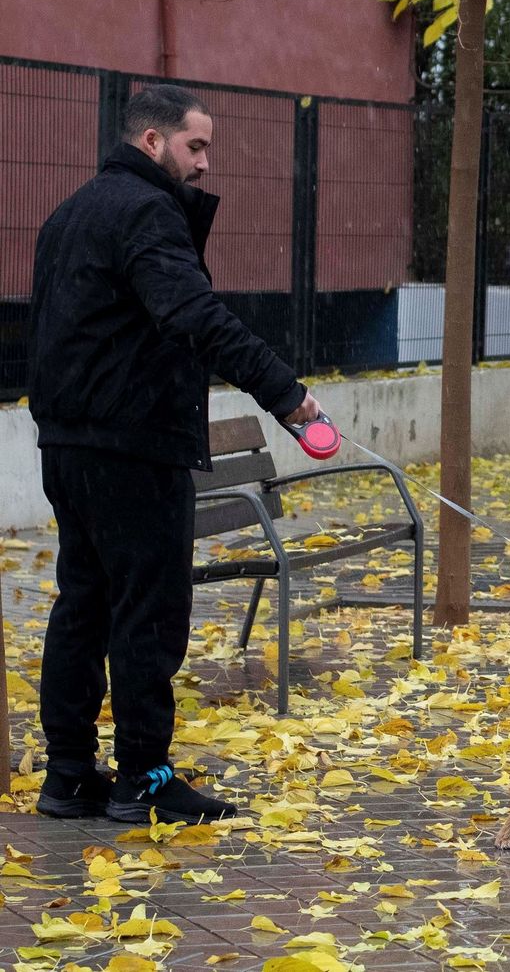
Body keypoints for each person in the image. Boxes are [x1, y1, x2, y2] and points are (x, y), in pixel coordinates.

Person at [27, 85, 320, 824]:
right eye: (196, 146)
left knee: (83, 605)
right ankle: (144, 778)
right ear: (152, 141)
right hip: (133, 443)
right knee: (148, 612)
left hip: (68, 441)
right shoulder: (146, 212)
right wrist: (286, 396)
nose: (205, 162)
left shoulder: (71, 211)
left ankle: (68, 776)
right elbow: (195, 316)